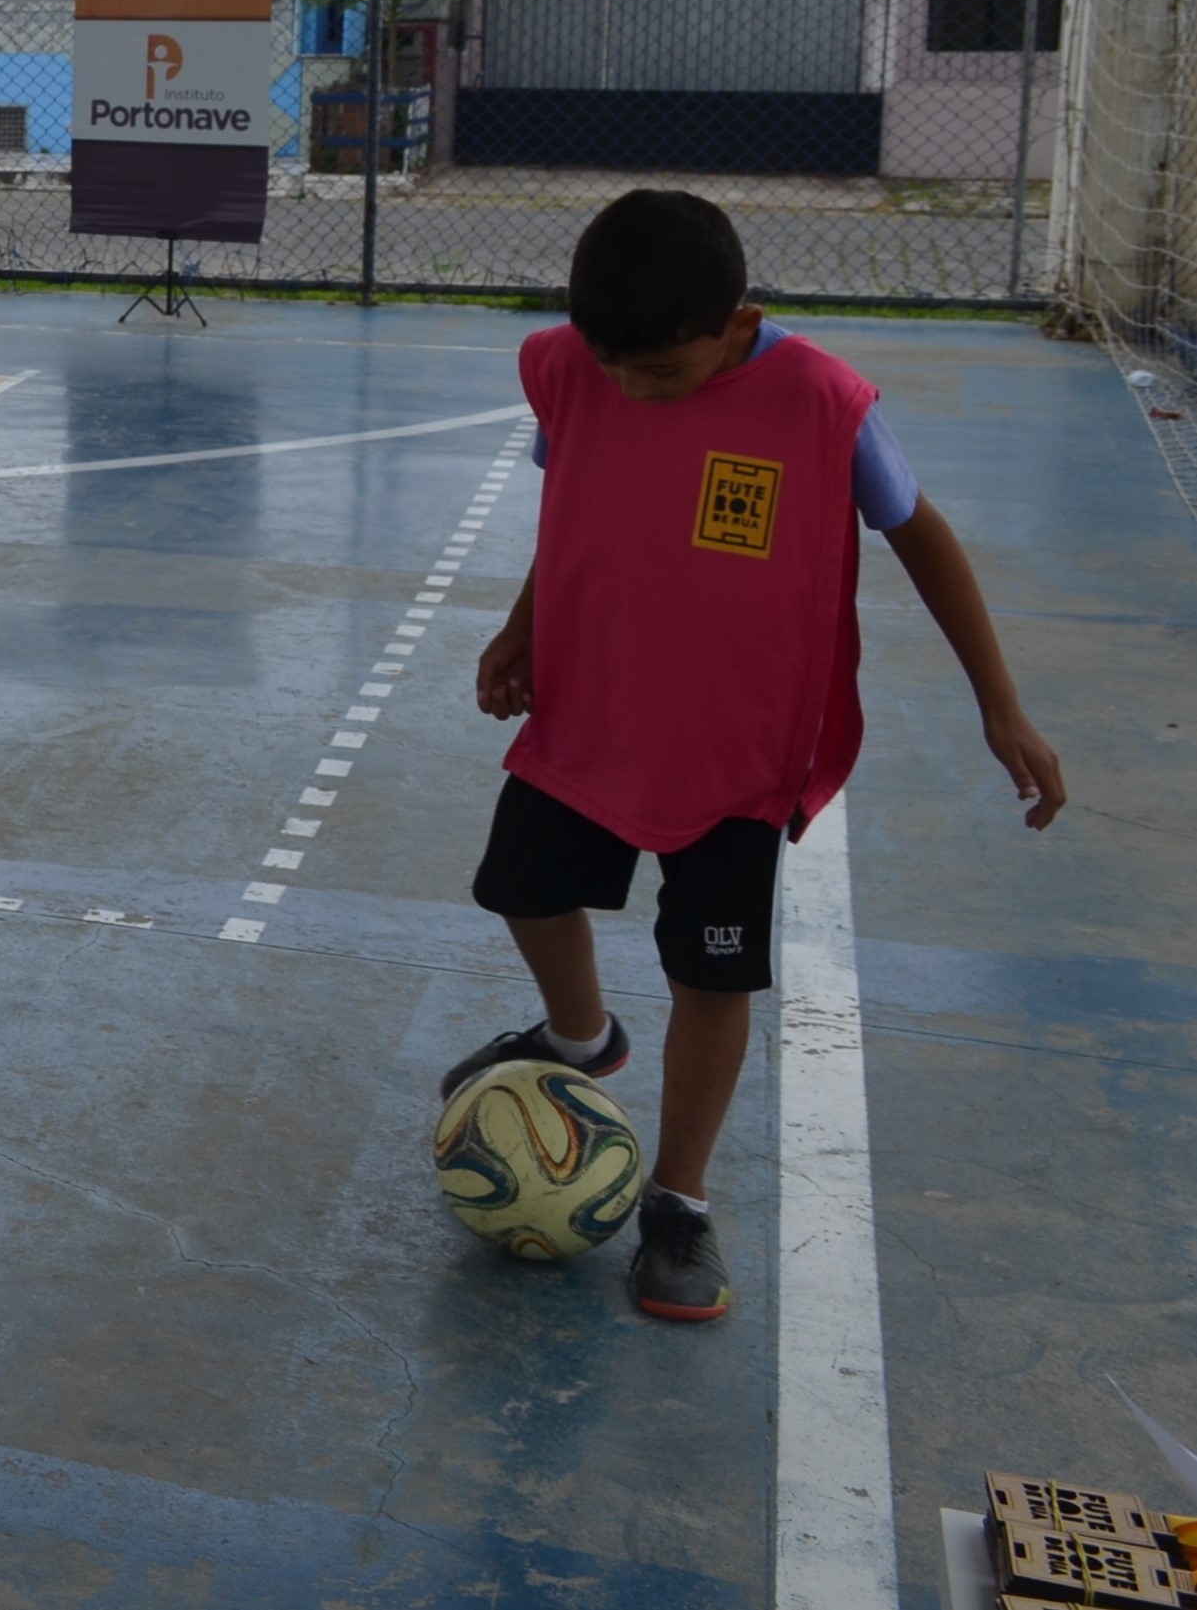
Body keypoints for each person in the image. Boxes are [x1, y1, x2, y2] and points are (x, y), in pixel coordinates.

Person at [452, 189, 1066, 1322]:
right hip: (594, 711)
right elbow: (575, 502)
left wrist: (1001, 704)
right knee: (522, 888)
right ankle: (581, 1035)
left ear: (740, 324)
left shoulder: (822, 404)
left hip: (738, 747)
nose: (634, 390)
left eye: (664, 374)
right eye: (615, 365)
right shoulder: (583, 367)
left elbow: (921, 534)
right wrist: (525, 625)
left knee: (711, 971)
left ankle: (678, 1203)